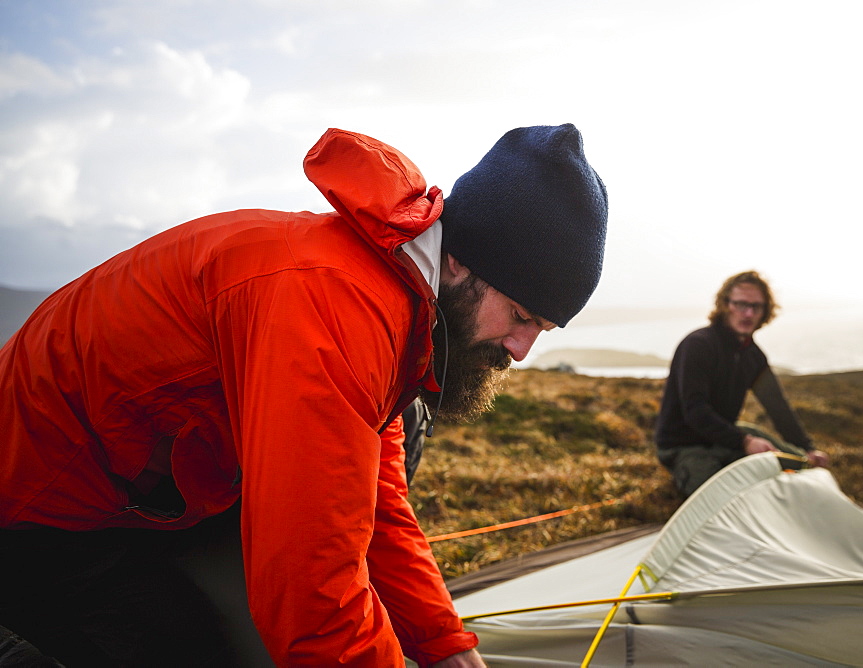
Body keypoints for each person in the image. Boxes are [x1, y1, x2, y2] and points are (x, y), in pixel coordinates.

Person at [0, 124, 608, 667]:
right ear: (459, 265)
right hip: (38, 501)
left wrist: (445, 644)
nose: (522, 349)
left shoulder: (396, 296)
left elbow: (375, 501)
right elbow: (313, 597)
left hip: (140, 488)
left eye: (542, 330)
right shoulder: (332, 305)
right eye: (522, 315)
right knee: (193, 651)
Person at [653, 270, 829, 498]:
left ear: (765, 311)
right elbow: (694, 410)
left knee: (803, 467)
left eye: (756, 306)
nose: (748, 313)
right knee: (722, 500)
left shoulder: (754, 356)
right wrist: (744, 442)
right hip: (684, 445)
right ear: (725, 304)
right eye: (740, 304)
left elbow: (777, 407)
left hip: (728, 437)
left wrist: (807, 449)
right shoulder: (698, 345)